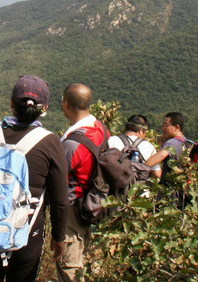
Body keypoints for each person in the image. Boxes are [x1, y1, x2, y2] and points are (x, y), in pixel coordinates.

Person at [0, 75, 69, 281]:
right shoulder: (50, 142)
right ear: (45, 108)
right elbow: (60, 200)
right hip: (27, 230)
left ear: (12, 103)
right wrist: (59, 237)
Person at [57, 83, 109, 281]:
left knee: (69, 264)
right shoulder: (101, 129)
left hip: (74, 207)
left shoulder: (72, 144)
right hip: (95, 203)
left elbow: (56, 178)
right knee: (86, 260)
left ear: (66, 104)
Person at [108, 114, 161, 179]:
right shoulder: (149, 147)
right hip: (139, 184)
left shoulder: (111, 140)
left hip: (114, 183)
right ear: (141, 131)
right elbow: (157, 174)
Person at [145, 112, 188, 179]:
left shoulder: (173, 142)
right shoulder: (188, 143)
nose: (163, 128)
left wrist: (140, 167)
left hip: (171, 183)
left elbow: (161, 155)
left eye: (166, 125)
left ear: (176, 127)